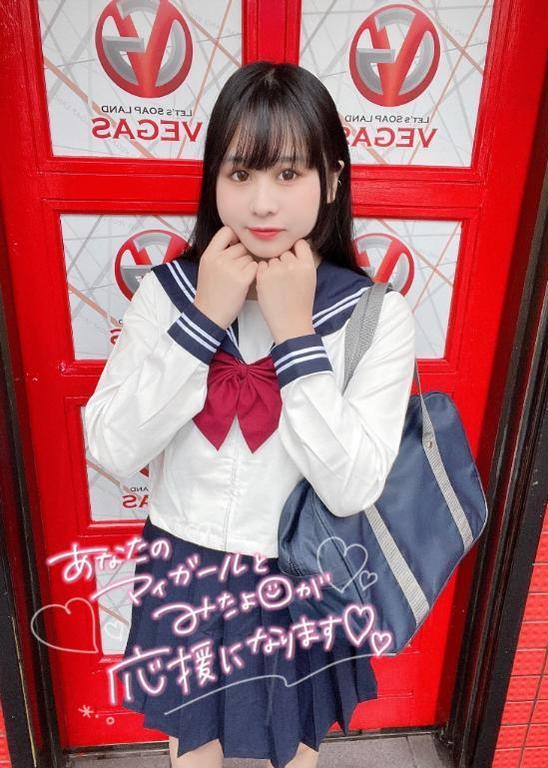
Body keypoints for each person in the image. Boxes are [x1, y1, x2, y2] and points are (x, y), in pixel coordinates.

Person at [85, 61, 416, 768]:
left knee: (294, 750)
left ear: (332, 179)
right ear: (215, 181)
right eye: (240, 174)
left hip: (304, 576)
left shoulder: (373, 316)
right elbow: (111, 447)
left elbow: (353, 487)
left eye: (288, 174)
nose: (262, 203)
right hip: (185, 564)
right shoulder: (168, 296)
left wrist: (296, 338)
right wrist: (202, 322)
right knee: (192, 746)